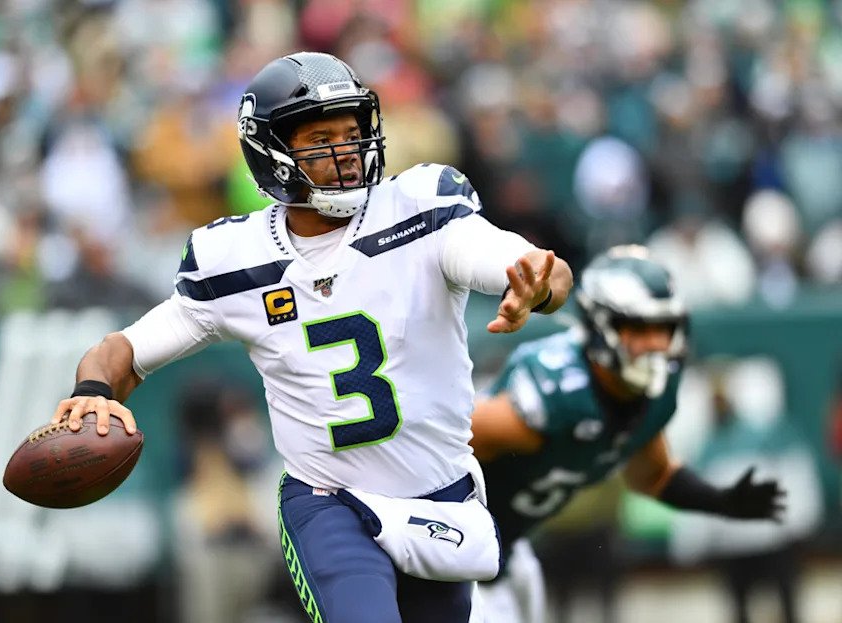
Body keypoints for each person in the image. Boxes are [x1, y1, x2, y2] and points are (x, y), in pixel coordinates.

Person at [48, 52, 573, 623]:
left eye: (351, 133)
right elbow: (122, 350)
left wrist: (536, 283)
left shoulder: (422, 208)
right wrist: (95, 388)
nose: (345, 150)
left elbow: (530, 265)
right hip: (330, 504)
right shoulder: (235, 261)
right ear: (272, 152)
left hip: (439, 499)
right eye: (321, 138)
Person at [469, 245, 786, 623]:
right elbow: (447, 444)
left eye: (663, 328)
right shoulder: (556, 395)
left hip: (509, 551)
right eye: (638, 329)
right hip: (460, 555)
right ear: (600, 326)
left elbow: (652, 474)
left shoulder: (653, 392)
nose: (654, 344)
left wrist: (721, 501)